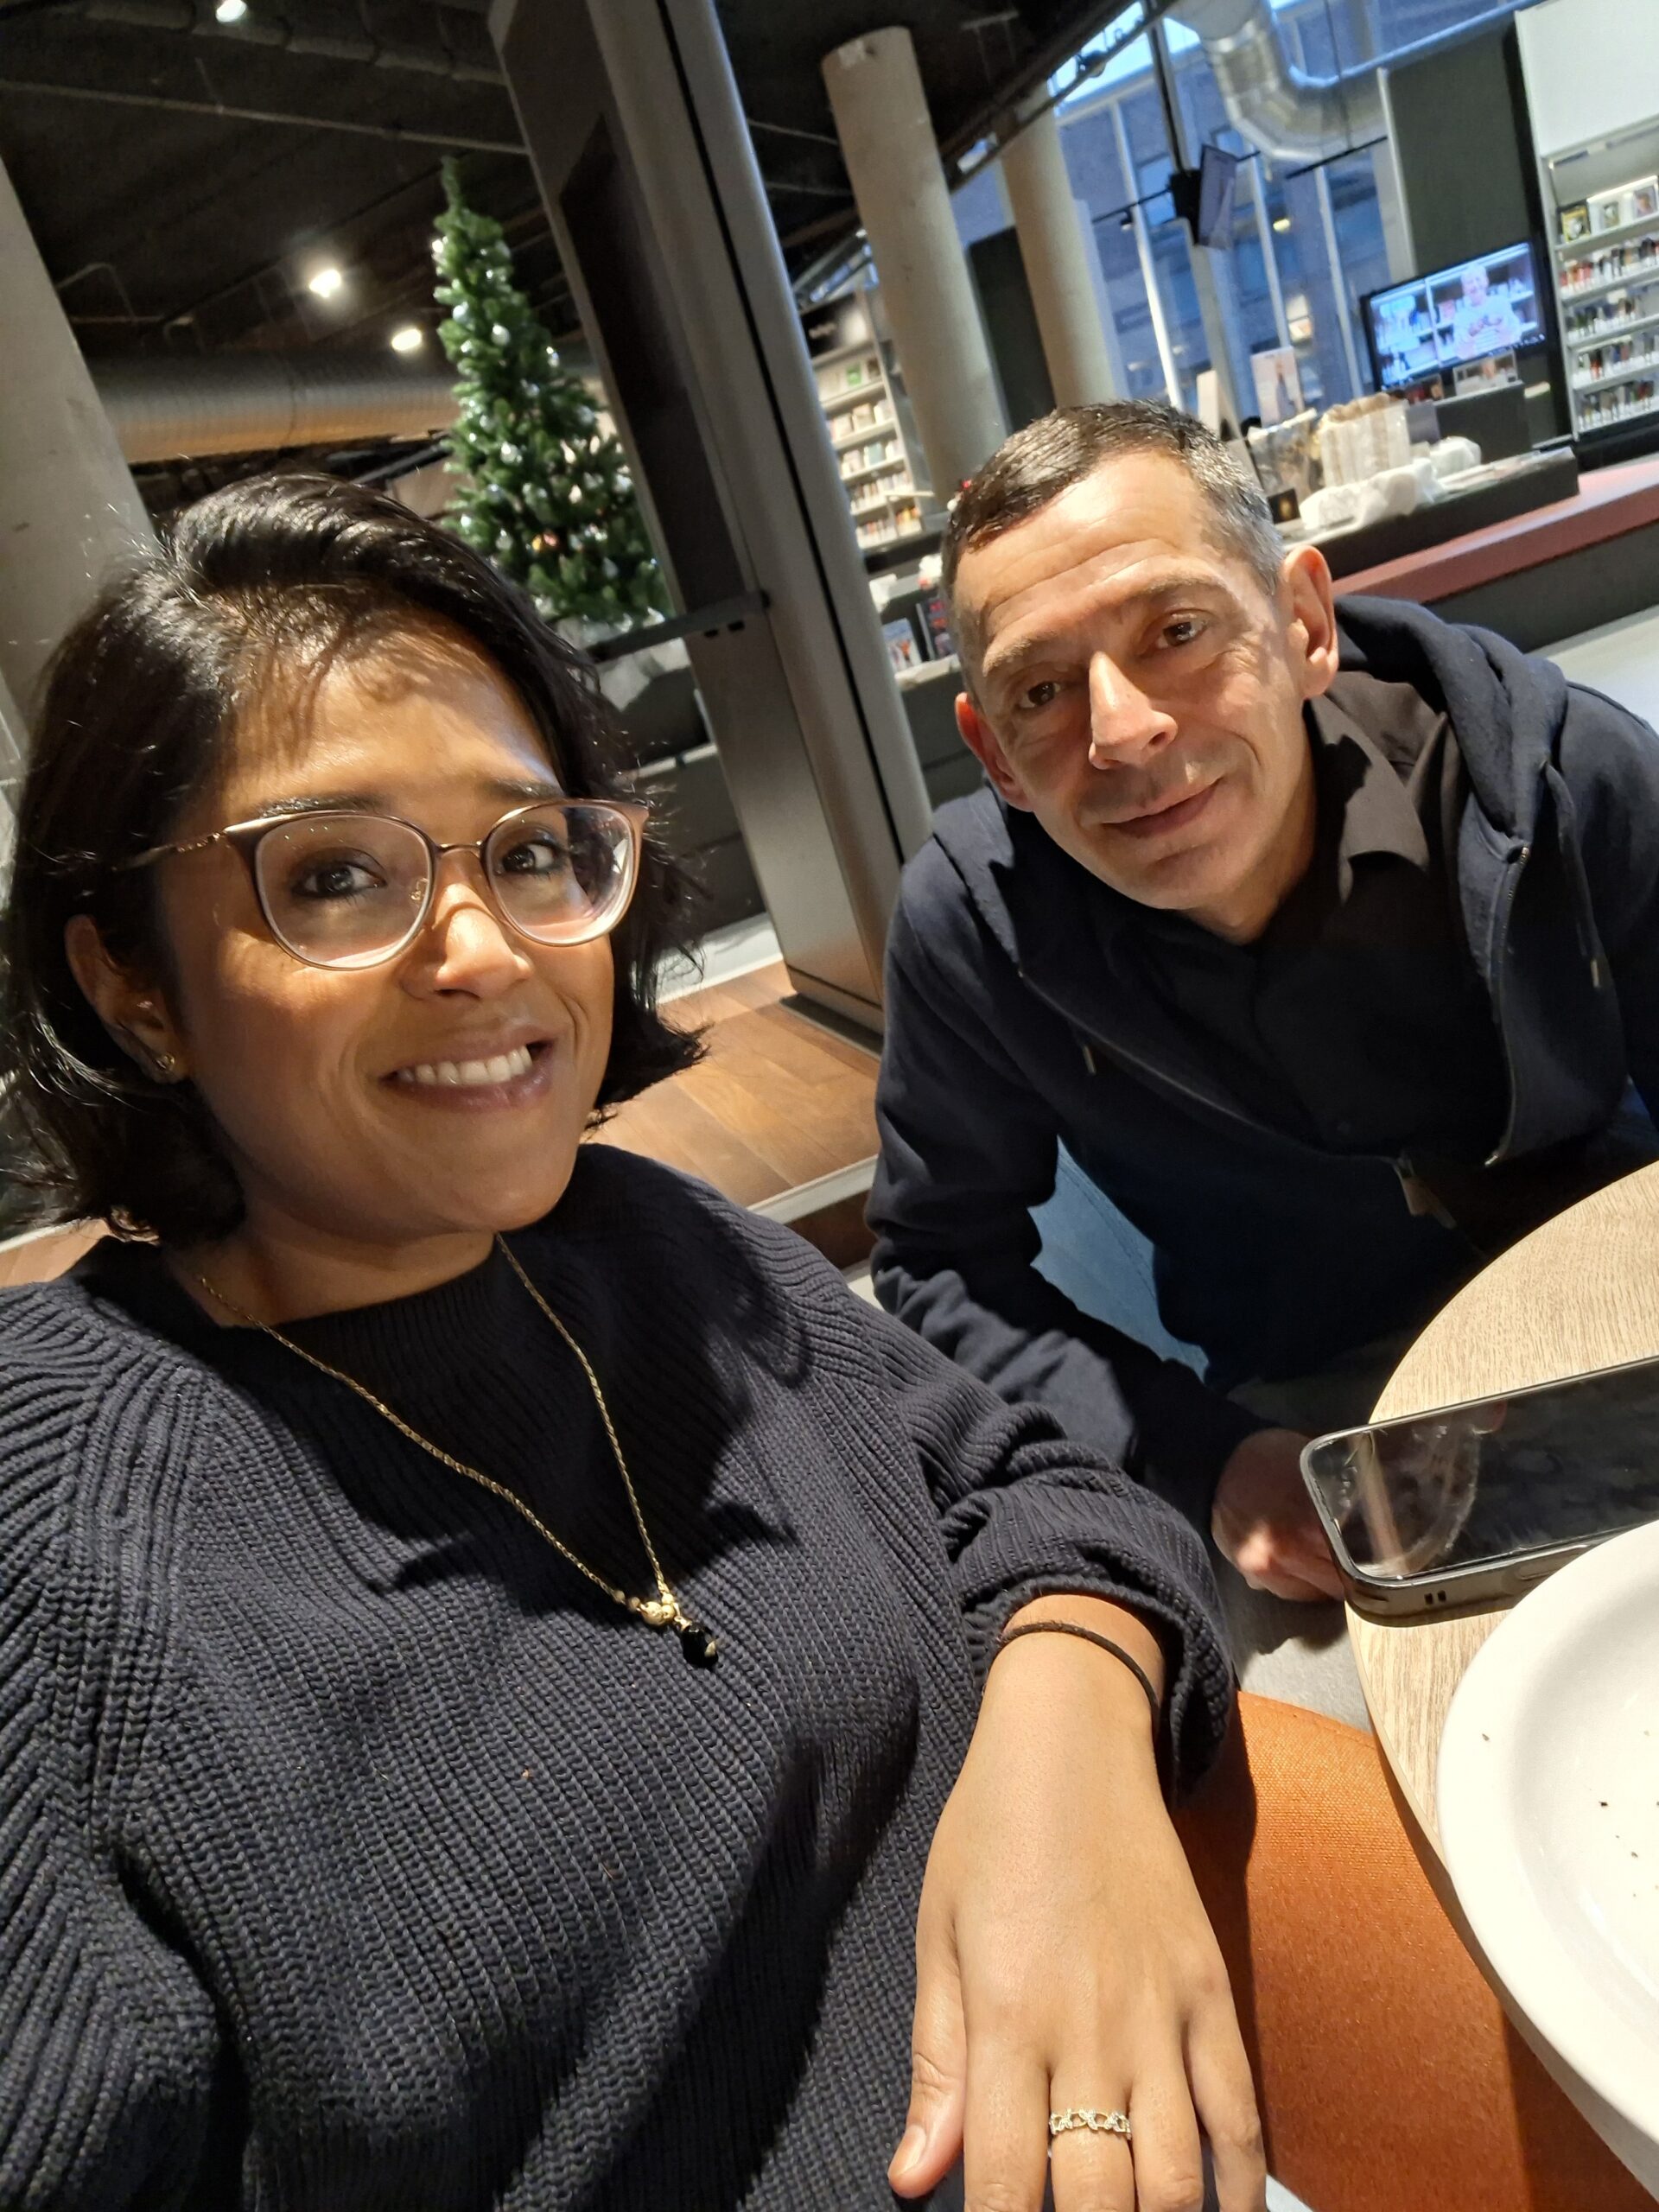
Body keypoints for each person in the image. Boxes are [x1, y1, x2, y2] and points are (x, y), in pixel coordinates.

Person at [0, 472, 1268, 2211]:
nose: (483, 950)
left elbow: (1040, 1492)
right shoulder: (55, 1529)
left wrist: (1067, 1752)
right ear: (134, 984)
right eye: (336, 876)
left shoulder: (657, 1248)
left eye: (529, 852)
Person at [868, 402, 1659, 1676]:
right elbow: (938, 1264)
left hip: (1616, 1295)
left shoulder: (1553, 776)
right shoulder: (971, 930)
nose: (1122, 731)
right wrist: (1206, 1457)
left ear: (1302, 623)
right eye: (1041, 690)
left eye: (1177, 631)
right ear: (993, 755)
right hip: (1314, 1417)